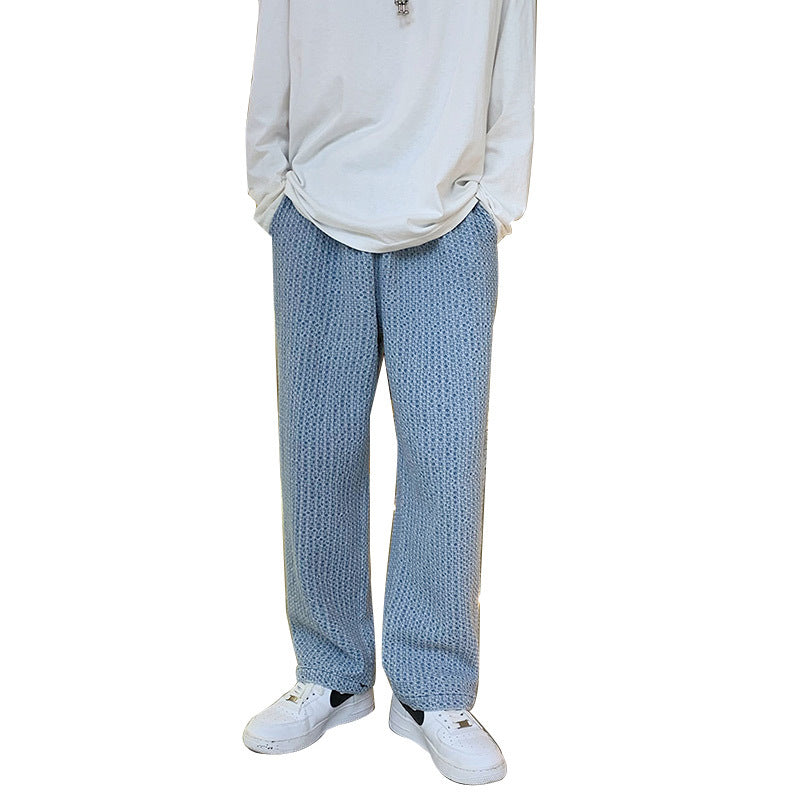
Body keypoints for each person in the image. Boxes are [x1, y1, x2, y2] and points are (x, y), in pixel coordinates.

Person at [241, 0, 536, 785]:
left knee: (446, 461)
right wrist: (272, 193)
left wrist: (495, 206)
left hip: (449, 218)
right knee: (317, 454)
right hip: (314, 211)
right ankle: (331, 673)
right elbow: (273, 56)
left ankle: (432, 691)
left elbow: (513, 71)